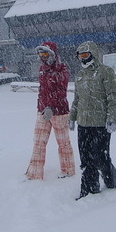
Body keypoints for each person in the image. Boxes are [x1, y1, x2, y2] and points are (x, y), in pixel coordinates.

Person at [69, 41, 116, 200]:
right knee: (85, 159)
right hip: (83, 124)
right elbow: (77, 99)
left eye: (86, 55)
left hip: (100, 124)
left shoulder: (105, 72)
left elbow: (113, 96)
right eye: (80, 56)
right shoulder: (79, 75)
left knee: (100, 157)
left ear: (93, 54)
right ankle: (89, 189)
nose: (83, 59)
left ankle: (113, 181)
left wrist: (112, 118)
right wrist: (72, 117)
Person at [25, 41, 76, 180]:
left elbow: (61, 92)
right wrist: (41, 106)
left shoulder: (62, 69)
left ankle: (68, 170)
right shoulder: (42, 69)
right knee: (39, 142)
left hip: (59, 112)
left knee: (63, 142)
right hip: (42, 111)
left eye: (45, 54)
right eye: (41, 54)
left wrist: (51, 107)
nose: (42, 57)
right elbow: (42, 91)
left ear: (52, 54)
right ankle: (34, 173)